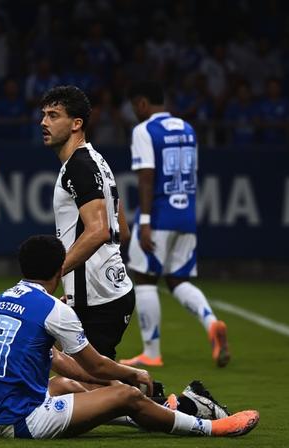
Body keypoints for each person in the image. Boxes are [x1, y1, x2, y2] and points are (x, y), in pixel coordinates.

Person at [0, 235, 260, 439]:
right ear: (61, 269)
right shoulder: (54, 309)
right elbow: (95, 365)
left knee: (65, 384)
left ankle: (148, 411)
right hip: (21, 421)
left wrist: (112, 383)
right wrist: (132, 375)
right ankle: (209, 428)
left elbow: (57, 360)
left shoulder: (5, 298)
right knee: (124, 394)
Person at [119, 81, 230, 368]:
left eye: (135, 107)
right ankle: (211, 323)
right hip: (186, 214)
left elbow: (146, 176)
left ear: (142, 103)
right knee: (177, 279)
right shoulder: (187, 129)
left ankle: (151, 352)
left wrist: (144, 221)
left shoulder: (144, 131)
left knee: (143, 277)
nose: (135, 113)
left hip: (158, 214)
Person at [39, 85, 133, 361]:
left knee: (81, 391)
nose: (43, 122)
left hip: (99, 301)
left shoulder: (78, 167)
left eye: (54, 115)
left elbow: (99, 230)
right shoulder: (98, 161)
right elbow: (121, 230)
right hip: (104, 293)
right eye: (44, 115)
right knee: (88, 383)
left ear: (76, 124)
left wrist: (56, 275)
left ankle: (180, 404)